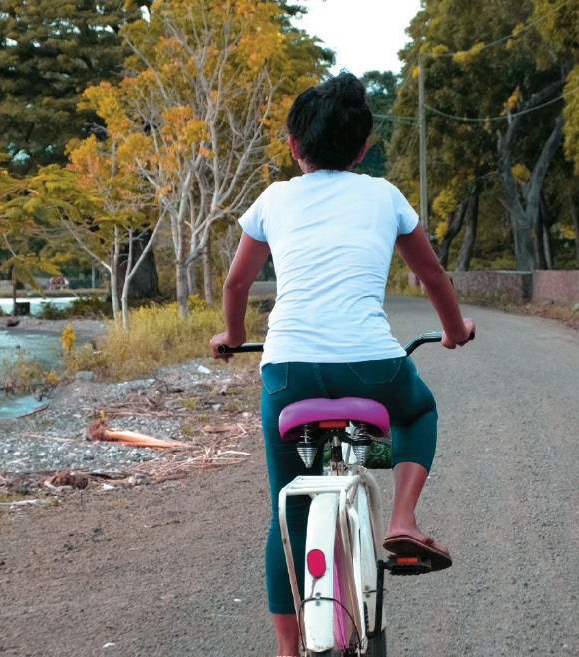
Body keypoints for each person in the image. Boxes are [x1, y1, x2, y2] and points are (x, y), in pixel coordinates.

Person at [210, 72, 475, 657]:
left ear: (292, 145)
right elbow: (431, 275)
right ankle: (402, 518)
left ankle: (286, 650)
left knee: (287, 518)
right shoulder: (383, 194)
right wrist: (455, 331)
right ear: (363, 148)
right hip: (370, 368)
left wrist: (232, 336)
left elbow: (237, 283)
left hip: (287, 374)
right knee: (419, 410)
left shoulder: (274, 198)